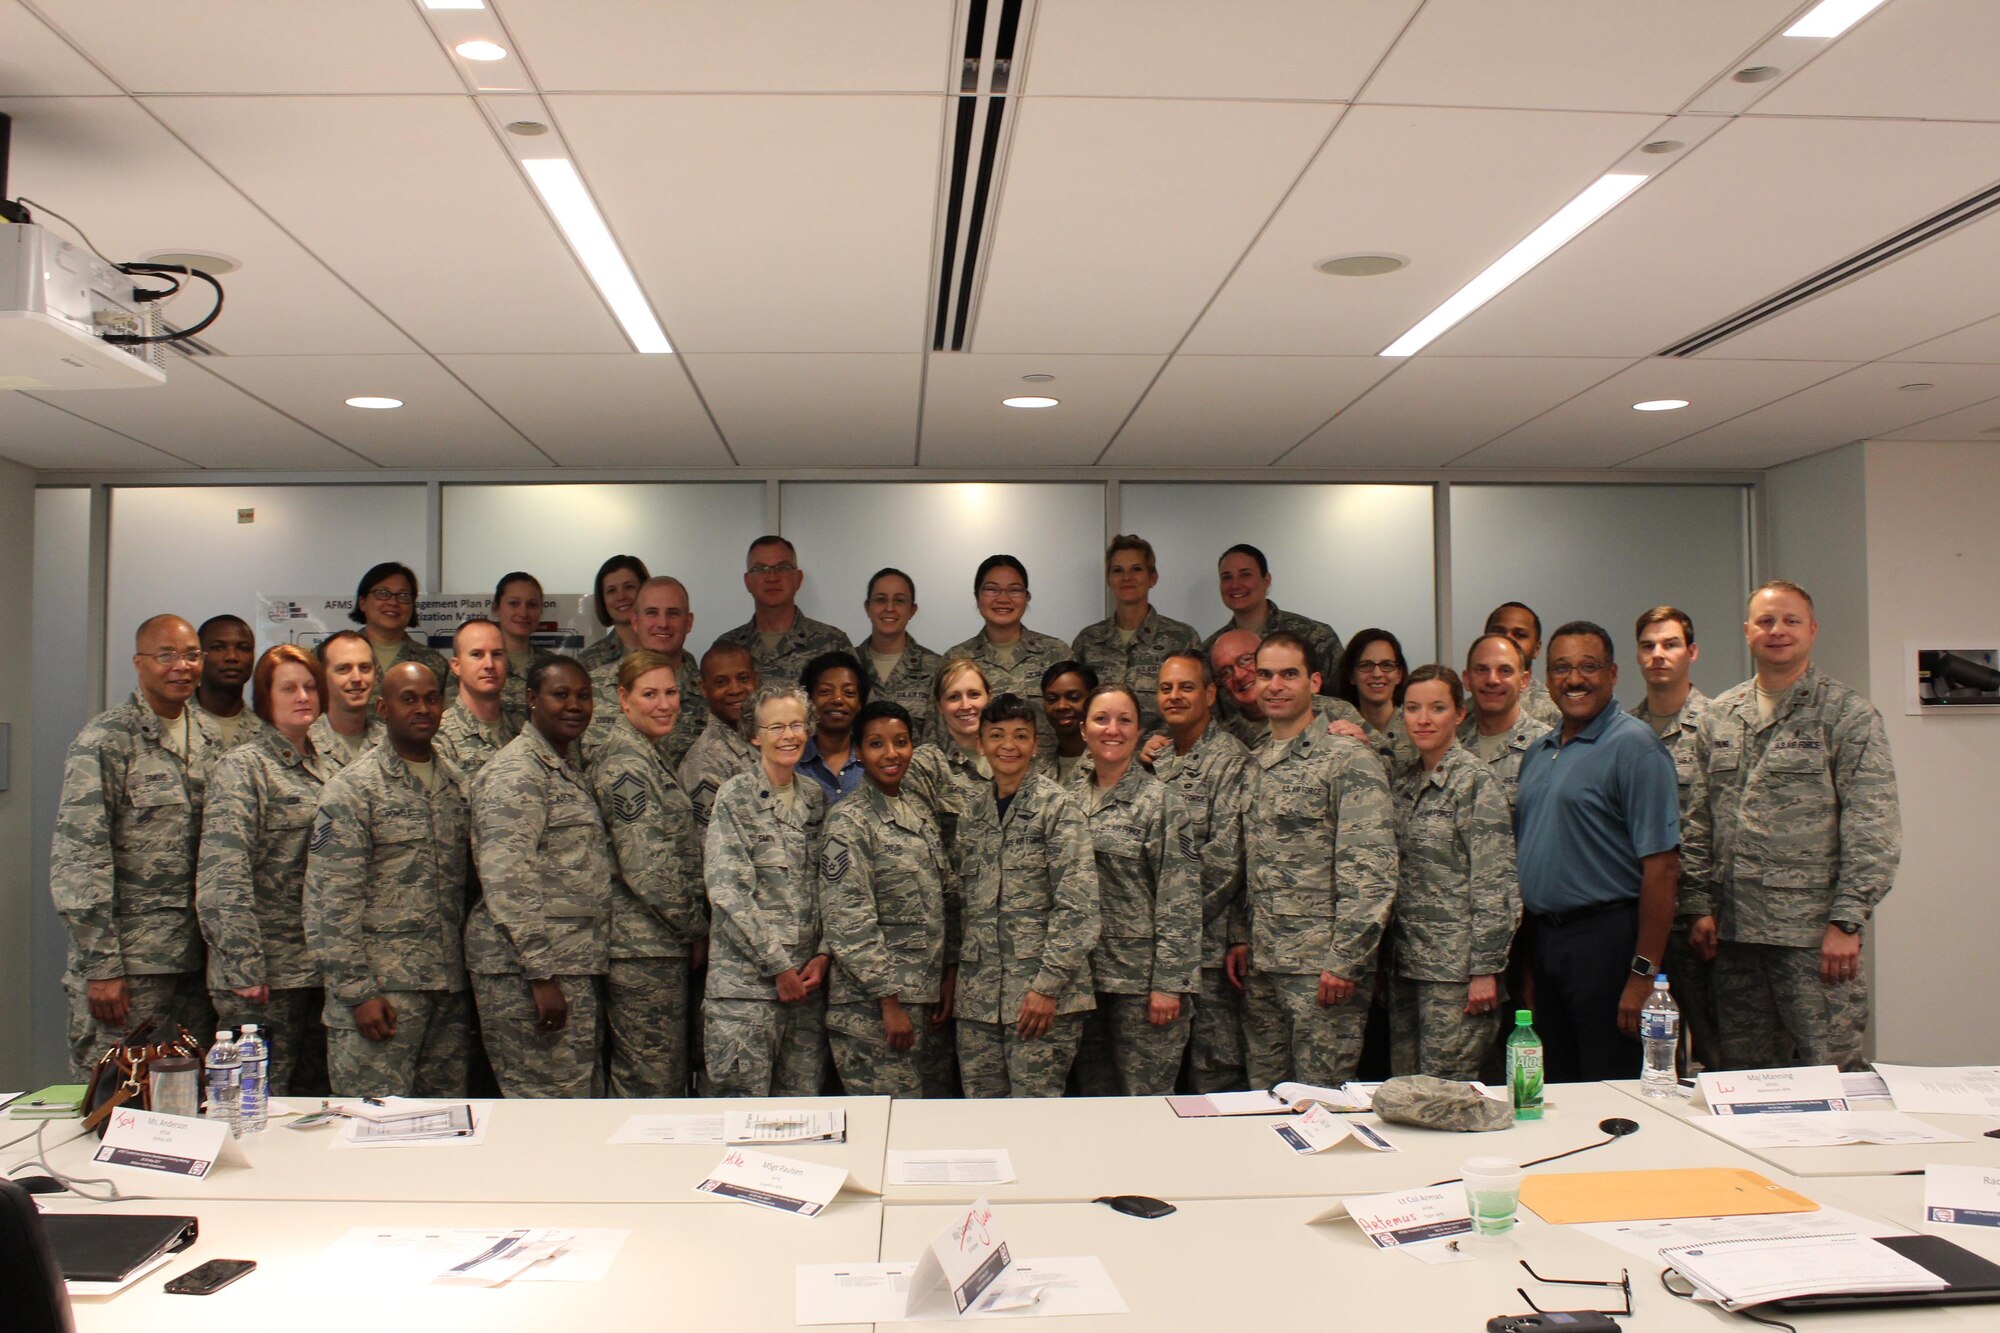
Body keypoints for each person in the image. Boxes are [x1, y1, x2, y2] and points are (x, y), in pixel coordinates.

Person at [1682, 581, 1899, 1072]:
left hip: (1812, 938)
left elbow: (1873, 825)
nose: (1777, 631)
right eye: (1765, 621)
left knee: (1831, 1070)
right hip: (1734, 937)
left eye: (1790, 621)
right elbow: (1696, 822)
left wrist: (1847, 921)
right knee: (1746, 1076)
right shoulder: (1720, 716)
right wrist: (1697, 905)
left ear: (1812, 630)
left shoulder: (1847, 715)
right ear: (1746, 632)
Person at [1512, 621, 1681, 1083]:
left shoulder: (1635, 747)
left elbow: (1663, 868)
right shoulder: (1538, 751)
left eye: (1589, 667)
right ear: (1547, 678)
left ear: (1613, 674)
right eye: (1562, 668)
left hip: (1609, 942)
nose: (1574, 679)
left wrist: (1643, 974)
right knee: (1560, 1089)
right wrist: (1530, 961)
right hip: (1548, 942)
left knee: (1613, 1088)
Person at [50, 614, 218, 1077]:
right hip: (130, 967)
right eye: (166, 655)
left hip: (196, 965)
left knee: (191, 1099)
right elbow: (79, 858)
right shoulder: (105, 740)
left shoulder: (212, 740)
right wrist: (102, 965)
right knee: (117, 1098)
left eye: (191, 655)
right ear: (139, 663)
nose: (181, 666)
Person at [1233, 632, 1397, 1088]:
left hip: (1321, 971)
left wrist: (1346, 960)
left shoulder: (1346, 758)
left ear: (1315, 682)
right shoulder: (1255, 761)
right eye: (1265, 675)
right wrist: (1242, 936)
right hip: (1265, 967)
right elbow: (1250, 865)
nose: (1275, 686)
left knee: (1320, 1107)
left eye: (1289, 674)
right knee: (1264, 1103)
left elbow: (1372, 872)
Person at [303, 661, 474, 1097]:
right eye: (409, 699)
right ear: (383, 708)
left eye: (432, 698)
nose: (423, 708)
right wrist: (357, 992)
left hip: (446, 994)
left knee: (444, 1133)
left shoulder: (457, 786)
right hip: (382, 996)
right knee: (371, 1132)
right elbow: (328, 902)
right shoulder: (353, 790)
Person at [466, 657, 614, 1098]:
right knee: (545, 1107)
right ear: (532, 700)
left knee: (575, 1100)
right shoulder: (517, 772)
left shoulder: (562, 766)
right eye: (560, 694)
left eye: (583, 695)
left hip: (569, 963)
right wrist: (540, 975)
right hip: (527, 971)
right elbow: (508, 880)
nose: (574, 705)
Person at [195, 644, 337, 1095]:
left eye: (311, 686)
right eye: (289, 688)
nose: (303, 696)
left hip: (317, 966)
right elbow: (224, 874)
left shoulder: (329, 764)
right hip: (264, 973)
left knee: (313, 1104)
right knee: (257, 1102)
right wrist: (243, 965)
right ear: (264, 697)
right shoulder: (245, 768)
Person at [953, 694, 1100, 1097]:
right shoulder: (972, 814)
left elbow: (1079, 908)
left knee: (1036, 1122)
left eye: (1020, 736)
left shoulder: (1058, 808)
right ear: (980, 744)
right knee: (983, 1121)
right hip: (979, 1002)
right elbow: (963, 907)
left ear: (1036, 745)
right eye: (996, 735)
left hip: (1039, 1001)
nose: (1008, 745)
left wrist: (1046, 987)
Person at [818, 700, 958, 1098]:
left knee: (924, 1132)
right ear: (859, 753)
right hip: (872, 1011)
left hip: (925, 1000)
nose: (891, 753)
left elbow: (946, 897)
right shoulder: (849, 821)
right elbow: (848, 919)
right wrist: (888, 1001)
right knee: (885, 1128)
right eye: (877, 744)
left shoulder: (918, 812)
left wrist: (948, 973)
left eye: (901, 742)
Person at [1388, 665, 1519, 1080]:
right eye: (1412, 708)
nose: (1423, 719)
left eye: (1437, 708)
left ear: (1459, 715)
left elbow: (1495, 884)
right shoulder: (1404, 782)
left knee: (1446, 1093)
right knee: (1405, 1093)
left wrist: (1485, 970)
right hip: (1406, 966)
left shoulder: (1475, 782)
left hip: (1456, 974)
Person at [588, 650, 709, 1097]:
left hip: (659, 945)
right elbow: (647, 870)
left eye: (672, 692)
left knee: (665, 1075)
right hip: (641, 950)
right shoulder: (626, 765)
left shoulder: (647, 754)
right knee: (650, 1082)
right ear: (623, 699)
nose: (664, 704)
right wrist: (697, 928)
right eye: (650, 694)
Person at [702, 684, 831, 1096]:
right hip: (746, 993)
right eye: (775, 726)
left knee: (803, 1121)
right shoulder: (734, 797)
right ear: (754, 735)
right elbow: (727, 893)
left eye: (796, 724)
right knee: (742, 1121)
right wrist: (778, 966)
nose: (788, 735)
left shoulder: (815, 798)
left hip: (806, 992)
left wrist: (825, 954)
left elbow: (832, 886)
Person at [1072, 684, 1200, 1097]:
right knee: (1092, 1103)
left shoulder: (1161, 801)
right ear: (1083, 730)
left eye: (1124, 720)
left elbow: (1179, 898)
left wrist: (1169, 983)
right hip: (1081, 982)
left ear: (1139, 731)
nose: (1113, 729)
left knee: (1146, 1105)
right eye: (1101, 719)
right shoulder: (1063, 799)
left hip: (1141, 985)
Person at [1143, 650, 1252, 1093]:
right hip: (1153, 956)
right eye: (1166, 688)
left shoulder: (1231, 760)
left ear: (1210, 693)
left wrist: (1166, 919)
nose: (1175, 696)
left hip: (1206, 952)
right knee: (1153, 1081)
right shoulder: (1153, 756)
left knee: (1214, 1076)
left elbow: (1225, 862)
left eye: (1186, 687)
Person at [1628, 606, 1718, 1069]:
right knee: (1649, 1053)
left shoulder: (1719, 725)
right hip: (1641, 917)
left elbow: (1721, 821)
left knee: (1717, 1048)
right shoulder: (1622, 731)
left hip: (1702, 921)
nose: (1658, 655)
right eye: (1648, 646)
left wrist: (1703, 903)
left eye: (1670, 644)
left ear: (1692, 651)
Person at [1069, 535, 1199, 735]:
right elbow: (1077, 706)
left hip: (1164, 760)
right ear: (1109, 580)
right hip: (1103, 757)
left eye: (1136, 569)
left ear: (1152, 578)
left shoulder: (1181, 639)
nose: (1126, 577)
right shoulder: (1088, 641)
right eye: (1118, 570)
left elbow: (1197, 710)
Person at [947, 555, 1071, 756]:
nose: (1003, 599)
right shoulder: (957, 659)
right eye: (991, 589)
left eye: (1014, 590)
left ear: (1026, 597)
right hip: (975, 782)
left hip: (1045, 780)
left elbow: (1078, 727)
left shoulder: (1056, 653)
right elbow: (938, 734)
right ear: (977, 596)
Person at [582, 576, 707, 770]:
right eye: (652, 613)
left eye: (673, 613)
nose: (663, 623)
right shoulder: (593, 686)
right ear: (635, 621)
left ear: (688, 622)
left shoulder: (710, 693)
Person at [1203, 544, 1341, 694]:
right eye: (1227, 577)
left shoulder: (1315, 636)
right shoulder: (1211, 650)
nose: (1235, 584)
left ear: (1266, 580)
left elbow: (1343, 700)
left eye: (1245, 574)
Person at [718, 535, 854, 686]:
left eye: (782, 568)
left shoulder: (832, 644)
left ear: (798, 578)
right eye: (760, 569)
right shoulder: (726, 647)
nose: (771, 577)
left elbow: (855, 703)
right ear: (747, 581)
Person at [901, 657, 994, 865]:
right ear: (939, 706)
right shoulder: (925, 765)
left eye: (974, 694)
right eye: (953, 697)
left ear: (989, 697)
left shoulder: (1011, 757)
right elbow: (925, 849)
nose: (965, 705)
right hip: (953, 893)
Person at [1211, 627, 1364, 751]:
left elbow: (1385, 762)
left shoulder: (1336, 712)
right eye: (1225, 672)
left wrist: (1363, 747)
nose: (1239, 675)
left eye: (1245, 660)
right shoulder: (1226, 738)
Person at [679, 641, 760, 843]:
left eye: (743, 678)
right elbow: (717, 847)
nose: (735, 689)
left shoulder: (768, 739)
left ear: (755, 680)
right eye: (721, 682)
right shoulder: (704, 762)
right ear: (703, 689)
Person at [858, 567, 944, 745]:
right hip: (854, 772)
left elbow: (940, 740)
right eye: (881, 600)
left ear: (912, 610)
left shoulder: (937, 668)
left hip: (918, 772)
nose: (889, 608)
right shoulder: (848, 666)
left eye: (899, 601)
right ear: (868, 607)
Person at [1459, 632, 1544, 805]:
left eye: (1505, 671)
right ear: (1467, 680)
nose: (1492, 680)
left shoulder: (1546, 748)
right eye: (1482, 669)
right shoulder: (1451, 744)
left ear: (1524, 680)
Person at [435, 617, 518, 781]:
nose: (489, 664)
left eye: (497, 654)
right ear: (456, 666)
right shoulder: (439, 736)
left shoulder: (521, 729)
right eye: (477, 655)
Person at [349, 561, 449, 694]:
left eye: (403, 596)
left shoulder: (434, 663)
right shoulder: (332, 655)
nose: (393, 602)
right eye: (383, 593)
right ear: (363, 602)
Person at [1334, 628, 1415, 781]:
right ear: (1351, 675)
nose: (1377, 674)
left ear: (1399, 674)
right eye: (1365, 665)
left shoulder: (1417, 727)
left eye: (1387, 665)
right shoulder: (1339, 730)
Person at [489, 571, 559, 731]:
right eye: (514, 603)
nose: (523, 612)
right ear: (496, 608)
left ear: (541, 611)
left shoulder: (553, 667)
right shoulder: (478, 664)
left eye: (532, 605)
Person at [799, 650, 870, 804]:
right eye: (825, 691)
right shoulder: (793, 760)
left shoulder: (873, 760)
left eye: (849, 692)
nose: (838, 699)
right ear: (809, 700)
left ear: (860, 704)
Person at [192, 614, 268, 751]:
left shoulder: (266, 733)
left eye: (243, 648)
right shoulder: (173, 722)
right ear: (198, 656)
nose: (232, 657)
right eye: (218, 648)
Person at [310, 630, 385, 768]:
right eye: (344, 669)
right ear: (322, 677)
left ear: (375, 676)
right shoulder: (304, 744)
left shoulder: (391, 743)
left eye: (364, 668)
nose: (356, 678)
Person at [1484, 602, 1562, 729]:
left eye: (1519, 635)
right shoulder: (1460, 715)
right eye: (1498, 632)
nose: (1507, 640)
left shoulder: (1556, 714)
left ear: (1536, 649)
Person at [575, 554, 650, 674]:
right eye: (611, 590)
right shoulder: (588, 662)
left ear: (646, 591)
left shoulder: (666, 650)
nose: (621, 596)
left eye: (629, 587)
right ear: (602, 599)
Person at [1038, 659, 1098, 787]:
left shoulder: (1109, 763)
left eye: (1074, 698)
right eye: (1052, 699)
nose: (1061, 706)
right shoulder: (1036, 770)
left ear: (1093, 700)